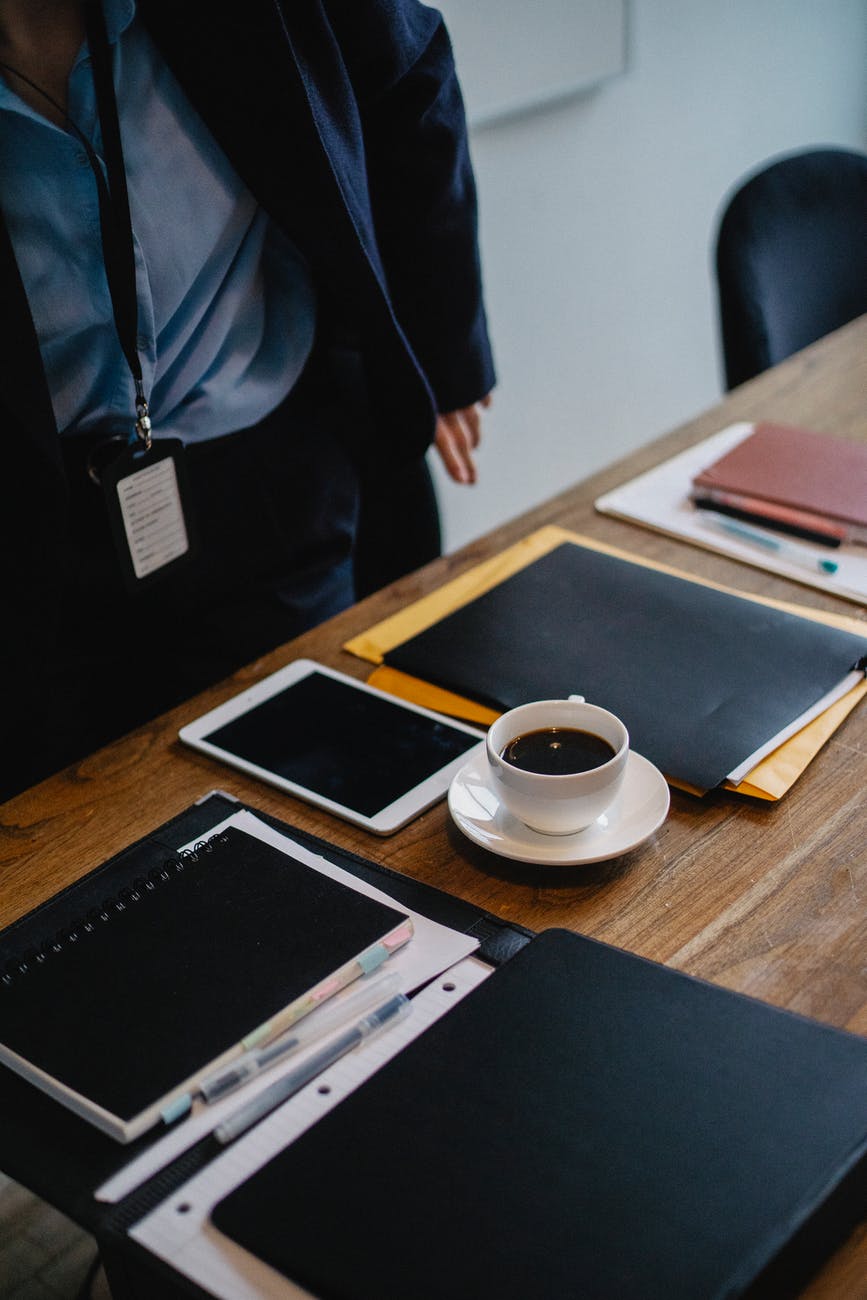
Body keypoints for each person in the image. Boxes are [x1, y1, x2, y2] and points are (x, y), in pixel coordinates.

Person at [0, 0, 495, 801]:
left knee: (319, 816)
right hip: (29, 545)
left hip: (269, 476)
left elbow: (408, 68)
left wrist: (445, 349)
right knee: (65, 871)